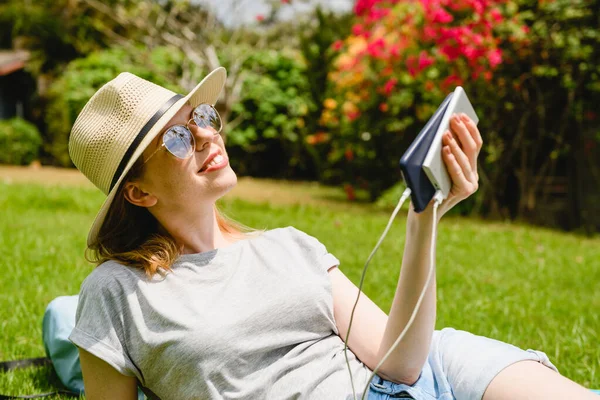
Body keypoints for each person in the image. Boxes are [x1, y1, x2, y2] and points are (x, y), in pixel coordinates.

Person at [67, 67, 597, 400]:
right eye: (178, 138)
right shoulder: (117, 293)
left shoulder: (290, 244)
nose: (207, 135)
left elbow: (403, 364)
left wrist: (423, 218)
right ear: (139, 194)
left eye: (202, 117)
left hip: (438, 369)